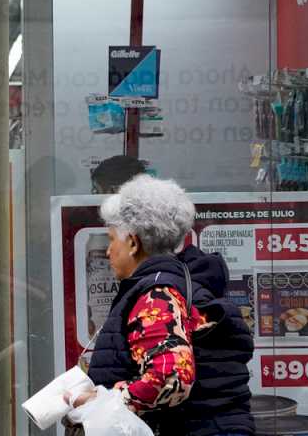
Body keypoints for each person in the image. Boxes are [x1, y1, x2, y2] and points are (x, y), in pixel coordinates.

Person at [70, 175, 254, 436]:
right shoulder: (183, 284)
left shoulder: (156, 295)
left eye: (112, 239)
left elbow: (170, 378)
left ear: (133, 243)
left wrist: (102, 401)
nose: (109, 251)